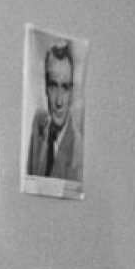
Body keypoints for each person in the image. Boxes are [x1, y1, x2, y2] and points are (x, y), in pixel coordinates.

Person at [27, 38, 83, 181]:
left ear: (71, 92)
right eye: (53, 86)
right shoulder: (39, 123)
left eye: (64, 87)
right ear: (45, 87)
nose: (58, 101)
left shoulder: (78, 151)